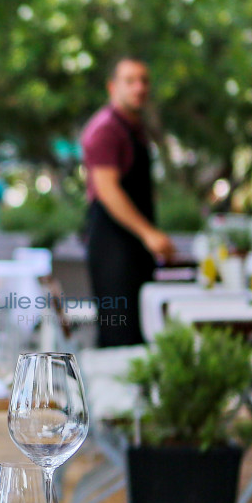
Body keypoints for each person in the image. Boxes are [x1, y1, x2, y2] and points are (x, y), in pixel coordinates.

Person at [81, 57, 175, 346]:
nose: (139, 87)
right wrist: (150, 234)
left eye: (144, 81)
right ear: (112, 87)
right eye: (130, 81)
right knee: (120, 334)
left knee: (141, 331)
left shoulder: (134, 128)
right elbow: (107, 191)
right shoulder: (105, 128)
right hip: (113, 247)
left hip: (132, 246)